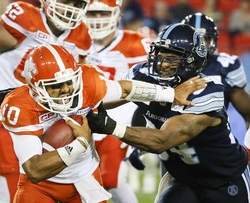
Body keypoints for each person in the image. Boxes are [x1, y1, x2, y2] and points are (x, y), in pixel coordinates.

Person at [0, 43, 206, 202]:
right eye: (55, 86)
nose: (65, 90)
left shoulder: (88, 82)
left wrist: (169, 94)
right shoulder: (21, 107)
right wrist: (78, 145)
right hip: (40, 187)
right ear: (36, 88)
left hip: (84, 178)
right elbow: (34, 170)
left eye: (68, 83)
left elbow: (125, 89)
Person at [72, 23, 250, 203]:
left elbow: (162, 140)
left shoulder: (206, 92)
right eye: (159, 55)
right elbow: (107, 96)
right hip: (184, 180)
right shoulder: (142, 74)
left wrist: (110, 126)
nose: (162, 64)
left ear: (191, 61)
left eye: (171, 58)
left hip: (225, 179)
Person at [0, 0, 92, 202]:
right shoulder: (25, 20)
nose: (70, 8)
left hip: (36, 121)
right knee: (12, 192)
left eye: (76, 3)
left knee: (36, 192)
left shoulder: (81, 36)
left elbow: (79, 81)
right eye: (65, 0)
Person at [84, 0, 149, 202]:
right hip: (83, 117)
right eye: (93, 13)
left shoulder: (135, 43)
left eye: (103, 13)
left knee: (110, 179)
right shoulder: (76, 43)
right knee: (79, 181)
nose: (98, 19)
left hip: (118, 118)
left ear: (117, 13)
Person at [181, 12, 250, 153]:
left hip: (215, 142)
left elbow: (248, 112)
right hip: (178, 141)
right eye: (194, 40)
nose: (199, 46)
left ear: (212, 41)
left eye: (204, 39)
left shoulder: (225, 67)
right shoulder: (173, 65)